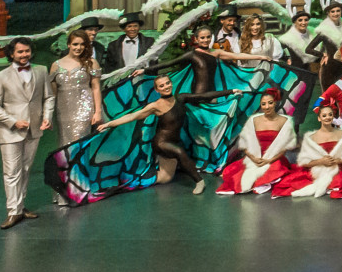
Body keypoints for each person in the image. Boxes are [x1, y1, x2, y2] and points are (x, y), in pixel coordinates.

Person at [96, 74, 247, 195]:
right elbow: (132, 116)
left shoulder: (180, 98)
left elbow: (205, 96)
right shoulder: (155, 106)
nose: (166, 86)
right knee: (180, 153)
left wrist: (231, 91)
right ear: (157, 90)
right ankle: (199, 182)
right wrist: (108, 124)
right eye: (161, 86)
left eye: (167, 83)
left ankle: (134, 181)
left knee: (165, 178)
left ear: (171, 83)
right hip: (162, 143)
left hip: (175, 141)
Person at [0, 38, 54, 229]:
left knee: (25, 170)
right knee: (11, 172)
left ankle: (21, 206)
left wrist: (47, 116)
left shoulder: (41, 70)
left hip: (34, 130)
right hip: (10, 132)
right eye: (20, 52)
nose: (24, 55)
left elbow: (49, 96)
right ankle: (13, 211)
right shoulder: (0, 77)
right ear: (11, 54)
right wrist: (13, 122)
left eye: (27, 51)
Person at [217, 90, 295, 195]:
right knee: (240, 175)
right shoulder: (253, 120)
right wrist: (253, 158)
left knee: (273, 170)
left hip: (274, 158)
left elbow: (285, 148)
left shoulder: (285, 121)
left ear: (275, 102)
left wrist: (269, 160)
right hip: (254, 158)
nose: (267, 107)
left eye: (270, 103)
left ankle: (263, 182)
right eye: (263, 104)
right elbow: (244, 144)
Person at [269, 103, 342, 198]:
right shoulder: (311, 137)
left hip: (337, 170)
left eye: (330, 114)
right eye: (324, 115)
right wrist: (321, 161)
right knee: (292, 182)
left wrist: (336, 161)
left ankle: (329, 186)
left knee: (339, 181)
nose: (327, 117)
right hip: (316, 170)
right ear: (319, 118)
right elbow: (304, 162)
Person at [50, 30, 106, 146]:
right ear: (68, 45)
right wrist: (48, 115)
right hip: (63, 110)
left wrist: (98, 112)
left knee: (79, 142)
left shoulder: (91, 62)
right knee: (65, 143)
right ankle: (68, 164)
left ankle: (79, 164)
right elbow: (52, 93)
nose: (79, 47)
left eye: (82, 44)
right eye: (75, 44)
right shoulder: (56, 65)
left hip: (84, 109)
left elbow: (96, 88)